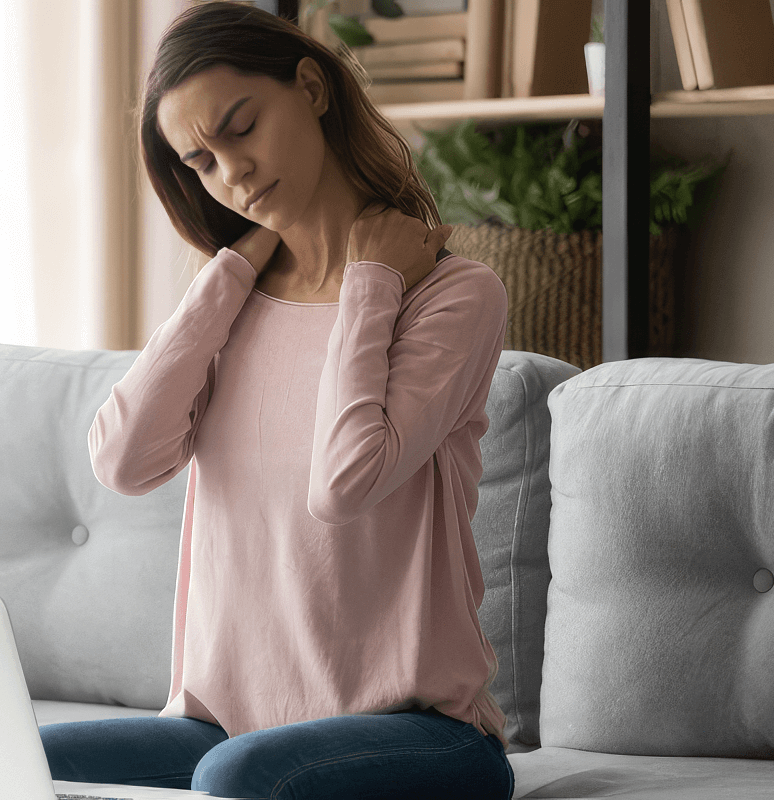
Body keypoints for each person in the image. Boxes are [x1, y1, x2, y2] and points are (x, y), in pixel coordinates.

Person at [45, 3, 513, 798]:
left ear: (310, 88)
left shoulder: (452, 296)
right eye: (200, 160)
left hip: (419, 733)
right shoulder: (230, 303)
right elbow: (123, 462)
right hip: (230, 726)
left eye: (241, 127)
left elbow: (344, 484)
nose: (233, 174)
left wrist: (371, 285)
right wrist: (226, 276)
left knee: (234, 778)